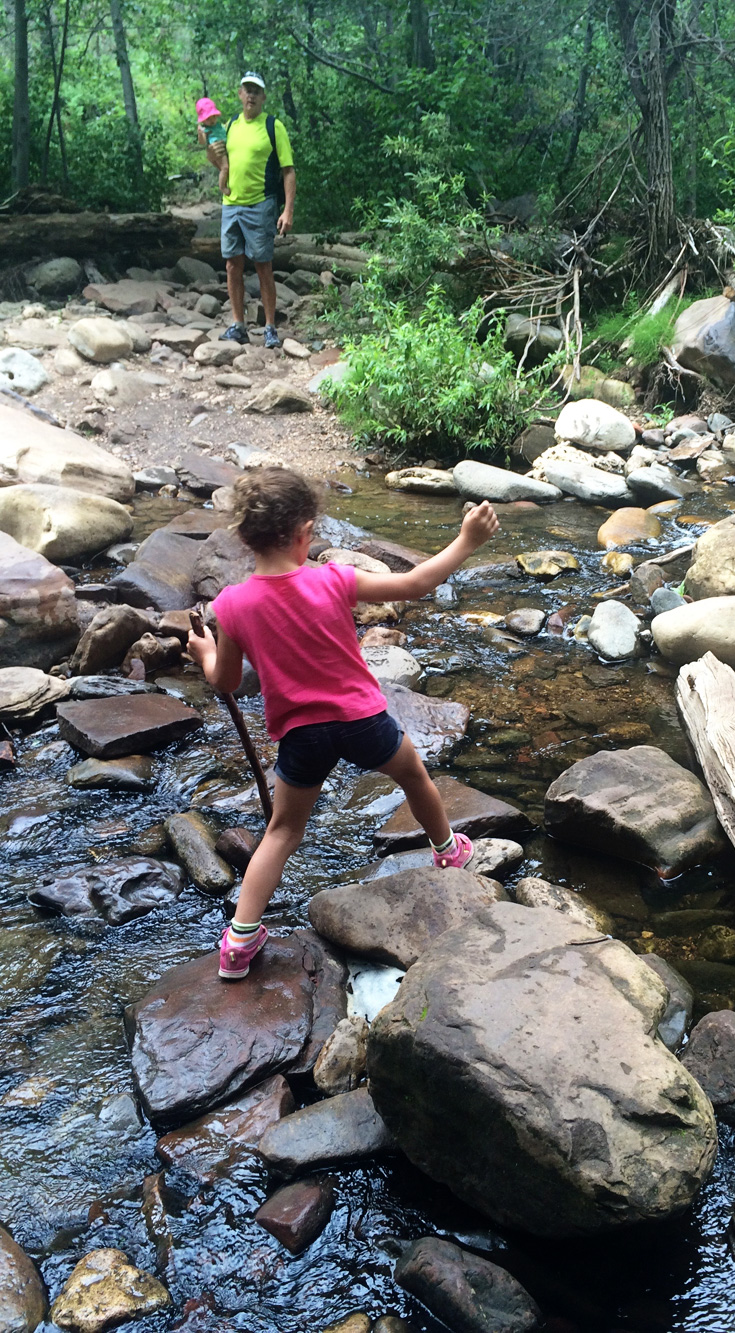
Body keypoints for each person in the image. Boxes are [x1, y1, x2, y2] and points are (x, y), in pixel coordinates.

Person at [187, 468, 501, 981]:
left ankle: (239, 944)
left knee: (283, 830)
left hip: (300, 736)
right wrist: (466, 540)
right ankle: (448, 850)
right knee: (414, 776)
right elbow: (417, 582)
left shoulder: (232, 606)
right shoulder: (333, 579)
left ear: (244, 539)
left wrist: (204, 650)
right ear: (303, 534)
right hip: (362, 720)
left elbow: (223, 680)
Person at [219, 71, 296, 351]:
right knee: (232, 265)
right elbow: (221, 163)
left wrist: (287, 210)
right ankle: (238, 325)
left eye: (256, 91)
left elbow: (288, 171)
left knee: (263, 266)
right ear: (240, 94)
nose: (250, 95)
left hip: (261, 204)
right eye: (246, 89)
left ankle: (270, 328)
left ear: (263, 97)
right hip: (231, 205)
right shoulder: (229, 126)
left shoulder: (274, 127)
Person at [195, 96, 229, 195]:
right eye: (208, 118)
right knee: (225, 167)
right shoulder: (205, 129)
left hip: (225, 146)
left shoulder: (219, 126)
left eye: (213, 117)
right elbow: (203, 142)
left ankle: (225, 182)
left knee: (227, 168)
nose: (212, 120)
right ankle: (222, 186)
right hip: (217, 149)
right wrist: (200, 134)